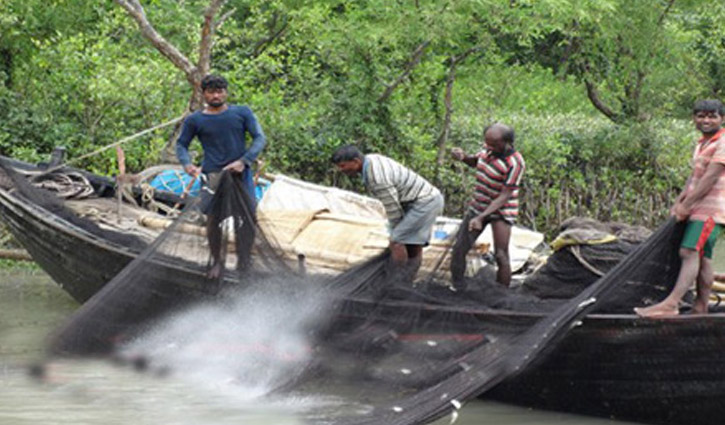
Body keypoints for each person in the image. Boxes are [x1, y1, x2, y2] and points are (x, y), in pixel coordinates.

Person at [635, 100, 725, 318]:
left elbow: (711, 176)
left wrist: (688, 204)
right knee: (703, 257)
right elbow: (694, 177)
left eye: (712, 116)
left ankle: (672, 304)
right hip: (698, 208)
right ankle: (700, 307)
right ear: (694, 118)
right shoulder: (702, 143)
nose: (706, 120)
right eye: (701, 115)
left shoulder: (723, 141)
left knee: (688, 251)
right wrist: (679, 201)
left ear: (722, 118)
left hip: (711, 210)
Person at [175, 74, 266, 278]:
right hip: (212, 176)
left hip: (240, 175)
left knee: (248, 216)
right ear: (204, 94)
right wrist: (187, 163)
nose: (216, 95)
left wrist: (244, 161)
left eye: (220, 91)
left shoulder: (242, 113)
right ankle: (217, 261)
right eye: (211, 92)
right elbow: (181, 144)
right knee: (213, 218)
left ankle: (244, 260)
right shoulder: (195, 120)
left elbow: (259, 138)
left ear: (226, 92)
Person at [331, 145, 444, 281]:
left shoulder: (377, 178)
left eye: (343, 166)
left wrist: (395, 235)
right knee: (411, 243)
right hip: (418, 199)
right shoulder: (370, 159)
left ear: (356, 161)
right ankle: (406, 282)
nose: (341, 170)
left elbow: (393, 209)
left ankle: (396, 282)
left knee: (397, 241)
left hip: (425, 202)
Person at [449, 123, 525, 288]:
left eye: (493, 144)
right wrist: (463, 157)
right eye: (486, 142)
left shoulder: (515, 162)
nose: (488, 146)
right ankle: (457, 287)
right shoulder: (487, 150)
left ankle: (500, 295)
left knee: (501, 255)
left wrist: (481, 217)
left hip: (502, 210)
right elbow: (476, 162)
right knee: (459, 249)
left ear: (507, 143)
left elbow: (505, 195)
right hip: (479, 205)